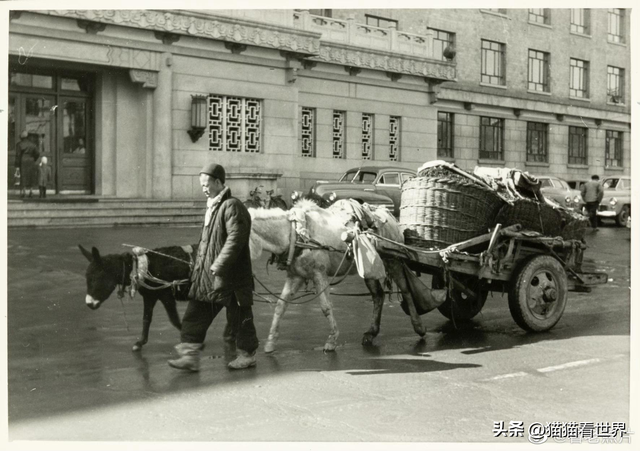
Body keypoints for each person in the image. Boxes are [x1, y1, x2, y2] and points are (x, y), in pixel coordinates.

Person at [168, 163, 259, 372]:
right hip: (208, 276)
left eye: (206, 184)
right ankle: (189, 356)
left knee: (239, 317)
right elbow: (208, 242)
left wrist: (219, 265)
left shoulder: (232, 206)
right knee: (195, 313)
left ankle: (248, 355)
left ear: (218, 182)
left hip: (232, 277)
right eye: (201, 185)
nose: (204, 189)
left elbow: (235, 239)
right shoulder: (213, 206)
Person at [14, 130, 40, 198]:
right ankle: (31, 192)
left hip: (23, 161)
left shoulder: (19, 144)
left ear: (21, 137)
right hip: (31, 161)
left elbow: (18, 155)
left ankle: (24, 192)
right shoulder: (33, 144)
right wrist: (33, 158)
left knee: (23, 176)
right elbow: (37, 153)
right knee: (31, 176)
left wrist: (17, 165)